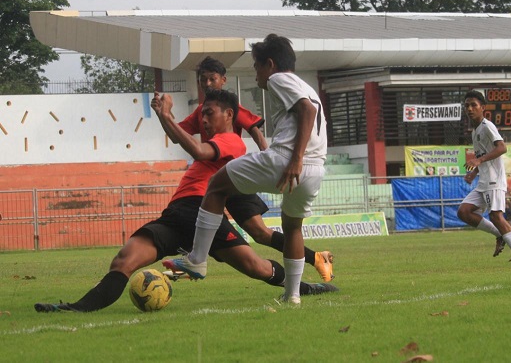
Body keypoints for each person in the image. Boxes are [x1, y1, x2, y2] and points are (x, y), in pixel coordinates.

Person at [34, 90, 337, 313]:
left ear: (229, 115)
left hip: (200, 212)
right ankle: (75, 308)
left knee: (257, 266)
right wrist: (165, 118)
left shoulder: (231, 140)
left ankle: (307, 287)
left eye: (210, 113)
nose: (204, 119)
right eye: (202, 114)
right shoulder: (211, 139)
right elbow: (184, 140)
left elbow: (199, 152)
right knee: (124, 261)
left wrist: (165, 115)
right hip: (176, 215)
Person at [164, 34, 327, 305]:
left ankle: (196, 260)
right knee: (293, 228)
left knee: (215, 185)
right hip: (315, 169)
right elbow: (309, 110)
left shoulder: (278, 78)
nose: (256, 73)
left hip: (287, 160)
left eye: (256, 66)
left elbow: (306, 111)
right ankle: (293, 296)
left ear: (270, 64)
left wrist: (295, 158)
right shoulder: (306, 85)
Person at [457, 90, 511, 262]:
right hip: (483, 181)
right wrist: (474, 172)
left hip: (495, 180)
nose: (470, 108)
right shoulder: (475, 131)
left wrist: (478, 161)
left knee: (496, 216)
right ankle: (500, 235)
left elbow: (502, 148)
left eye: (474, 105)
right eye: (467, 105)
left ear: (483, 107)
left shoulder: (487, 126)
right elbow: (484, 155)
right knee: (464, 212)